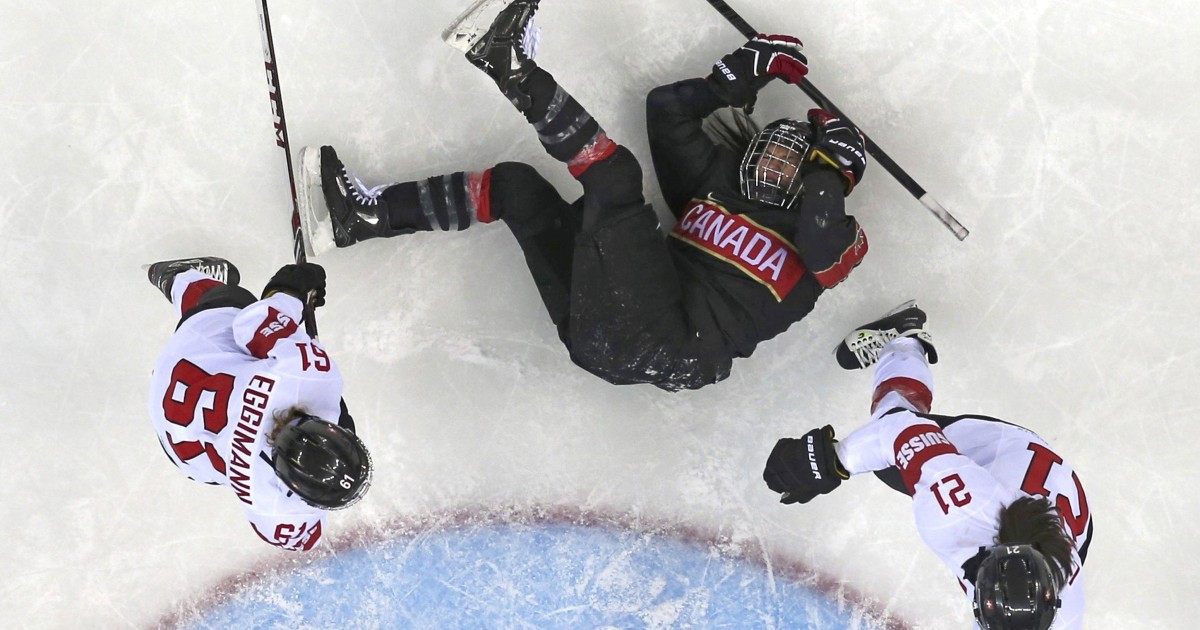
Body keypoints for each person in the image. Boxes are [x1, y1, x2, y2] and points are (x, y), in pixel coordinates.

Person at [298, 0, 869, 391]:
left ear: (813, 184)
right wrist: (743, 72)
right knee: (518, 189)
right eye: (771, 146)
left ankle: (509, 62)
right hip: (609, 332)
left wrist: (834, 172)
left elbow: (821, 239)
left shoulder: (831, 242)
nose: (773, 163)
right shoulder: (714, 184)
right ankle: (363, 218)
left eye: (795, 162)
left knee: (616, 180)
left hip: (673, 344)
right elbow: (667, 111)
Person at [762, 302, 1092, 629]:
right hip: (998, 452)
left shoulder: (1063, 607)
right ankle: (904, 339)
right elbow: (900, 429)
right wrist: (834, 461)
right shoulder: (957, 513)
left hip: (1062, 507)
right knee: (888, 446)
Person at [145, 256, 371, 551]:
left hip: (190, 355)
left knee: (235, 299)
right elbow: (307, 537)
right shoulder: (274, 508)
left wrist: (296, 290)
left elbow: (253, 321)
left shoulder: (302, 374)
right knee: (216, 468)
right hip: (176, 440)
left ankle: (177, 279)